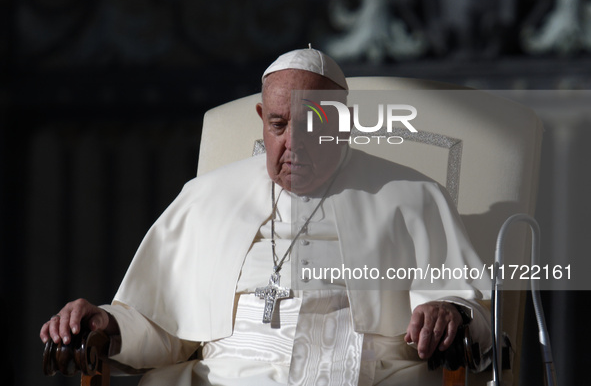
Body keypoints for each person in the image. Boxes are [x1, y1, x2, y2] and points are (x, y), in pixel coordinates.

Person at [40, 48, 491, 385]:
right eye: (278, 125)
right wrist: (107, 322)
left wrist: (448, 309)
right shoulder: (205, 198)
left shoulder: (412, 196)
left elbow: (466, 307)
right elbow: (161, 327)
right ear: (262, 117)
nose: (292, 145)